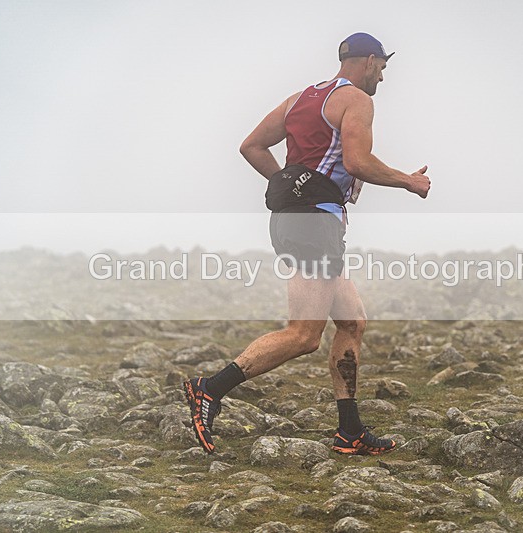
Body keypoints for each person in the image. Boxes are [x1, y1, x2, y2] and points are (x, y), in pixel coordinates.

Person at [183, 32, 430, 455]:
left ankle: (349, 431)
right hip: (315, 223)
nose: (383, 78)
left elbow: (251, 146)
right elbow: (356, 162)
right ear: (369, 61)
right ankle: (209, 389)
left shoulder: (300, 99)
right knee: (304, 335)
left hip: (298, 221)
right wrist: (408, 181)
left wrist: (290, 187)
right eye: (383, 68)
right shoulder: (356, 100)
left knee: (352, 321)